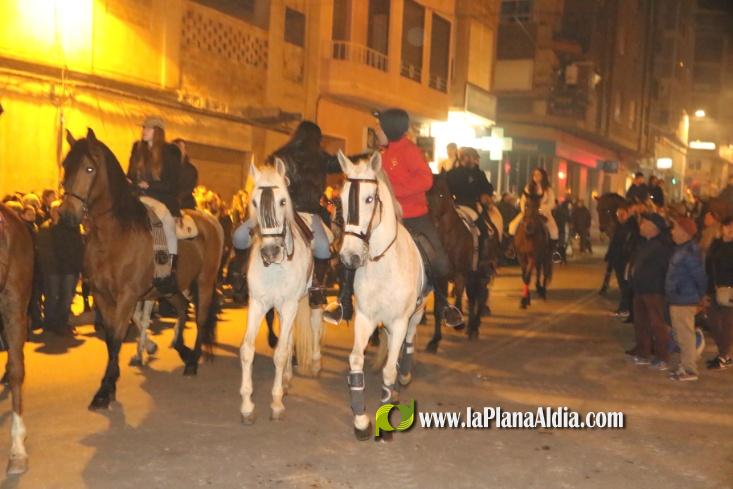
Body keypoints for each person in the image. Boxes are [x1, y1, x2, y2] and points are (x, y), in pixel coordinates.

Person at [232, 121, 341, 315]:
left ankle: (316, 287)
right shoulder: (281, 157)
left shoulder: (319, 159)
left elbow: (340, 163)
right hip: (282, 210)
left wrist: (364, 158)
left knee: (323, 247)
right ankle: (239, 274)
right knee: (240, 235)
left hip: (309, 212)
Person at [365, 108, 458, 325]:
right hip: (386, 219)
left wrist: (393, 190)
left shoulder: (409, 151)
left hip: (414, 218)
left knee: (440, 262)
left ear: (390, 128)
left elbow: (426, 180)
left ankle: (444, 305)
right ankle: (346, 302)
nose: (376, 130)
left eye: (380, 126)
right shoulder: (380, 155)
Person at [127, 116, 183, 294]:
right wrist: (133, 183)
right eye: (144, 127)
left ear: (157, 132)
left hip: (160, 198)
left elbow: (173, 183)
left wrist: (151, 185)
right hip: (138, 196)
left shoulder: (169, 153)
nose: (144, 130)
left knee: (166, 225)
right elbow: (130, 173)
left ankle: (168, 269)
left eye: (148, 128)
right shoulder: (137, 148)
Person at [628, 212, 673, 369]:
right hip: (640, 289)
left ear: (654, 228)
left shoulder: (662, 246)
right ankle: (643, 353)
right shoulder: (644, 243)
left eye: (644, 223)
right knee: (641, 324)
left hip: (654, 290)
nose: (641, 226)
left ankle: (662, 357)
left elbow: (663, 268)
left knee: (657, 324)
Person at [665, 216, 706, 381]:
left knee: (685, 336)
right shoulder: (681, 249)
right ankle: (685, 367)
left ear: (684, 232)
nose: (672, 232)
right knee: (681, 335)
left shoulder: (689, 252)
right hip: (678, 298)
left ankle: (690, 370)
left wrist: (701, 295)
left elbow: (700, 277)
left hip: (684, 299)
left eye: (675, 228)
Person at [36, 201, 84, 336]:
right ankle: (50, 323)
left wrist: (78, 267)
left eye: (59, 210)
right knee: (51, 297)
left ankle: (61, 323)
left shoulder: (71, 228)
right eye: (54, 210)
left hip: (68, 269)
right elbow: (44, 251)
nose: (56, 212)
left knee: (67, 297)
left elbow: (78, 247)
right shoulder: (45, 228)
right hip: (52, 270)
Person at [446, 146, 497, 257]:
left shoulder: (479, 174)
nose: (470, 159)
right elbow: (445, 190)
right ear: (462, 158)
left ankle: (483, 257)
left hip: (473, 206)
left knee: (485, 230)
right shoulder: (452, 174)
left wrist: (485, 195)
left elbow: (488, 188)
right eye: (467, 156)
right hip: (456, 206)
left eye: (472, 157)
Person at [508, 167, 560, 258]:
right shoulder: (528, 187)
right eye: (535, 174)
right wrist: (524, 210)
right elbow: (523, 200)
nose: (536, 176)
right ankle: (512, 248)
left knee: (554, 230)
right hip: (529, 212)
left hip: (543, 213)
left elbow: (552, 203)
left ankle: (553, 252)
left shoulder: (548, 189)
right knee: (512, 225)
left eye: (538, 174)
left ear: (543, 176)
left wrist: (542, 209)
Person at [705, 216, 733, 370]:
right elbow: (708, 267)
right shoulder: (716, 244)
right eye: (728, 226)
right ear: (722, 228)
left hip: (730, 291)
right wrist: (707, 290)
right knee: (713, 323)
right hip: (714, 289)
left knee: (727, 325)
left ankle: (724, 356)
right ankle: (724, 354)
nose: (730, 230)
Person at [605, 203, 639, 319]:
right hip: (619, 260)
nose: (619, 217)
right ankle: (625, 307)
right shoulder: (621, 226)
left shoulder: (630, 226)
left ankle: (625, 308)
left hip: (624, 260)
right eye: (618, 215)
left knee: (625, 285)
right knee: (623, 285)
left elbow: (627, 244)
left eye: (622, 214)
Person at [172, 138, 199, 211]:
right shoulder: (165, 167)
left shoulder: (190, 170)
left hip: (185, 205)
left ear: (185, 151)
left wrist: (175, 199)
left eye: (180, 147)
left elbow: (188, 189)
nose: (178, 150)